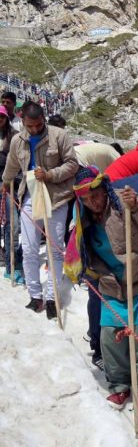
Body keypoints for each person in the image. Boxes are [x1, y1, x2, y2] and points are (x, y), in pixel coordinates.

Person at [68, 166, 138, 419]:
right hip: (113, 285)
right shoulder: (82, 217)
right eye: (86, 199)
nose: (93, 203)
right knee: (109, 337)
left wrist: (137, 206)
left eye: (96, 196)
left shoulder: (123, 202)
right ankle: (120, 385)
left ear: (104, 189)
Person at [2, 101, 78, 319]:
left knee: (54, 248)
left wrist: (50, 174)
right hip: (29, 195)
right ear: (23, 121)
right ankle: (35, 295)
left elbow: (72, 164)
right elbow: (12, 165)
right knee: (29, 247)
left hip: (56, 197)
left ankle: (52, 297)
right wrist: (6, 183)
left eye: (38, 125)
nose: (35, 129)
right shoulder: (18, 140)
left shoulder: (59, 136)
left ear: (44, 118)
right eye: (30, 126)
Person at [0, 105, 24, 283]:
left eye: (1, 117)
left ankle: (12, 266)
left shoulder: (15, 136)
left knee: (12, 226)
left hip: (9, 185)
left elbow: (18, 160)